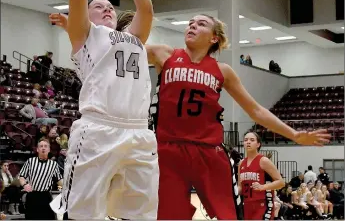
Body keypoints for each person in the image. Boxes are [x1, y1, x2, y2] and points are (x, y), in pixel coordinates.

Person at [51, 12, 331, 220]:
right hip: (167, 151)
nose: (192, 26)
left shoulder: (223, 71)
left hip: (210, 153)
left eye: (201, 24)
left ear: (215, 38)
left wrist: (294, 134)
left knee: (229, 216)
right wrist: (82, 31)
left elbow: (255, 110)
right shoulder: (164, 54)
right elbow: (117, 49)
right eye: (190, 23)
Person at [46, 0, 157, 220]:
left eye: (110, 7)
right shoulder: (86, 35)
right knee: (84, 214)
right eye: (99, 7)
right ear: (86, 14)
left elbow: (145, 8)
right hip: (98, 130)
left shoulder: (134, 37)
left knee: (142, 215)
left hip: (139, 131)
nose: (107, 9)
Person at [238, 132, 284, 220]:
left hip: (263, 204)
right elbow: (240, 187)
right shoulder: (241, 163)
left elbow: (281, 182)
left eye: (252, 140)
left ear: (258, 144)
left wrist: (263, 186)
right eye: (245, 140)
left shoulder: (263, 161)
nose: (248, 142)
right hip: (247, 205)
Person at [19, 139, 63, 220]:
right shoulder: (30, 161)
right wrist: (25, 184)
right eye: (41, 146)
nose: (43, 148)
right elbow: (21, 176)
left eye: (45, 146)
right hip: (32, 195)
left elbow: (59, 180)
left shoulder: (54, 164)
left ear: (49, 149)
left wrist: (68, 187)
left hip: (46, 197)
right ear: (37, 149)